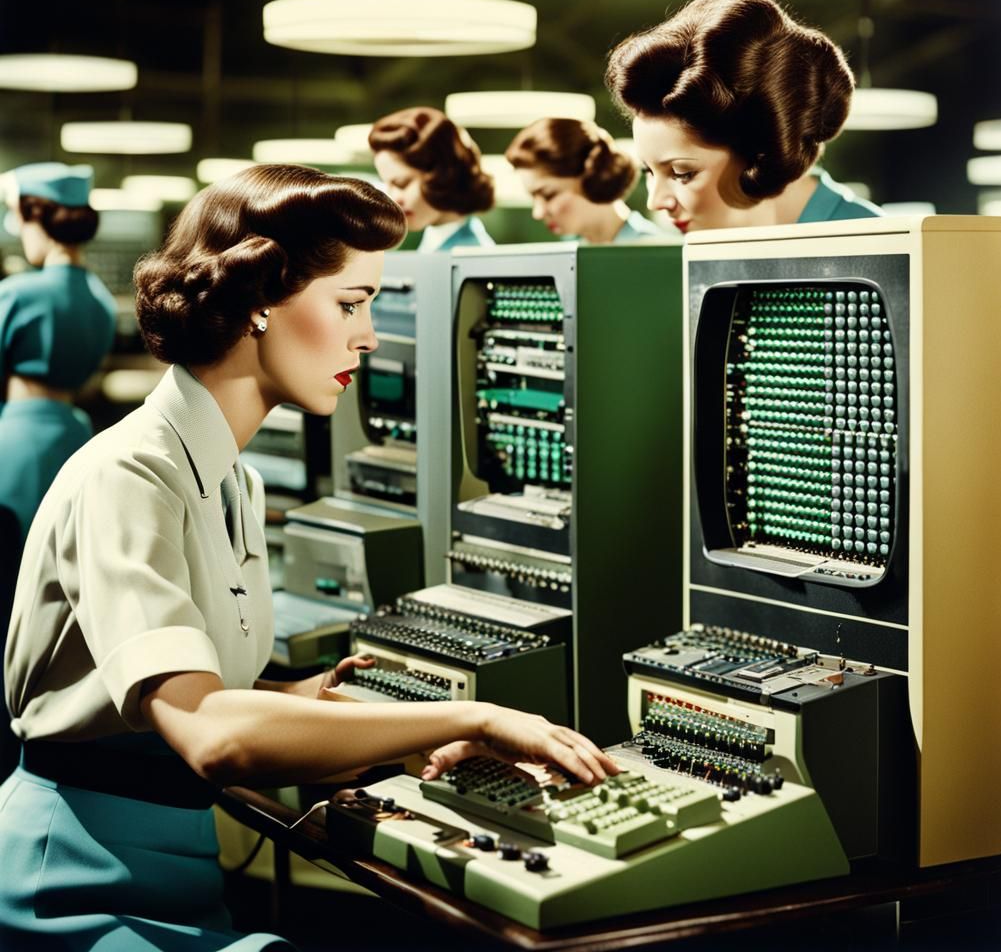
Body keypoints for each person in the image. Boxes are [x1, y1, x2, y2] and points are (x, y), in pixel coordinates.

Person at [0, 164, 616, 951]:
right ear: (258, 301)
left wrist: (339, 712)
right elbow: (212, 733)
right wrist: (477, 715)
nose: (370, 335)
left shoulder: (234, 480)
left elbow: (190, 693)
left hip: (172, 868)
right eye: (351, 304)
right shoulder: (130, 474)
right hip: (71, 884)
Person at [605, 0, 882, 236]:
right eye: (649, 172)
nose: (655, 201)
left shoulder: (882, 247)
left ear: (762, 155)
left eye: (682, 173)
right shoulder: (711, 248)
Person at [0, 162, 116, 546]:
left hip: (13, 442)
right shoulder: (101, 301)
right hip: (77, 438)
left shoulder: (16, 294)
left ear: (38, 218)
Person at [505, 118, 661, 243]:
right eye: (533, 198)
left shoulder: (656, 252)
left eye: (548, 195)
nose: (538, 213)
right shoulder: (568, 251)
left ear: (594, 180)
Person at [369, 106, 496, 250]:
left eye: (402, 184)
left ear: (442, 177)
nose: (392, 198)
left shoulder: (472, 253)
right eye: (385, 184)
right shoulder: (434, 238)